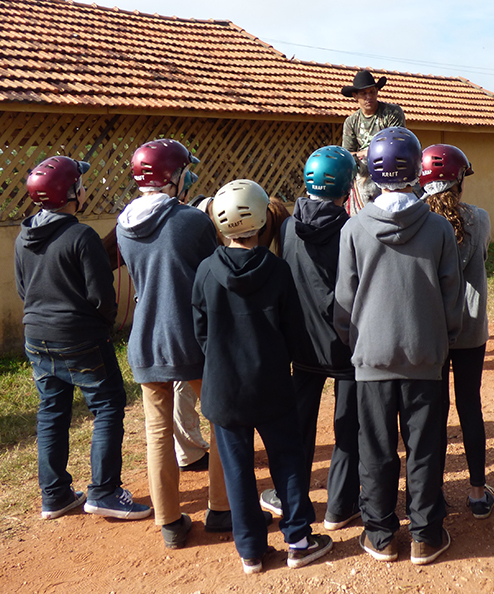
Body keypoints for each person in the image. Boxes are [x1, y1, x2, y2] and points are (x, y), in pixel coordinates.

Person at [334, 127, 463, 565]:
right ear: (416, 171)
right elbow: (452, 299)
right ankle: (426, 535)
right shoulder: (439, 228)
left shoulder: (354, 228)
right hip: (426, 357)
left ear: (372, 171)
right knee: (424, 447)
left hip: (371, 358)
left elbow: (344, 302)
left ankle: (382, 535)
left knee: (376, 449)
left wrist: (358, 343)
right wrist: (442, 341)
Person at [192, 179, 334, 574]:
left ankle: (251, 551)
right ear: (261, 220)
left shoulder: (205, 271)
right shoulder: (277, 270)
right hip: (271, 385)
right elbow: (293, 331)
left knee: (237, 469)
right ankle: (298, 540)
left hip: (223, 389)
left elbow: (200, 332)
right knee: (286, 460)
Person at [15, 156, 151, 522]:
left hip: (36, 337)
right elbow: (102, 296)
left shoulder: (23, 236)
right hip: (80, 338)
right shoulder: (81, 236)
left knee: (52, 411)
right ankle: (105, 491)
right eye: (80, 183)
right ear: (73, 192)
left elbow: (22, 289)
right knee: (107, 406)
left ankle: (55, 495)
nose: (84, 188)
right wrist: (104, 327)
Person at [115, 139, 231, 549]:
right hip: (190, 338)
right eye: (184, 171)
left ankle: (170, 523)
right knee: (222, 421)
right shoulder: (190, 221)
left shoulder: (124, 224)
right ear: (173, 176)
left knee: (158, 431)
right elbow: (216, 271)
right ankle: (220, 508)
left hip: (146, 340)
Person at [260, 146, 361, 532]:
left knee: (297, 425)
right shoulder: (351, 228)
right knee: (346, 427)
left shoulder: (286, 227)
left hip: (300, 344)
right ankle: (341, 505)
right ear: (348, 185)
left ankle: (291, 496)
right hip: (345, 346)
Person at [419, 144, 494, 519]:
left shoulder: (418, 221)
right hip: (470, 329)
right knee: (470, 407)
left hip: (430, 329)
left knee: (433, 411)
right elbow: (479, 258)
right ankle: (478, 492)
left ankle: (432, 492)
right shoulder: (480, 219)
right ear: (460, 180)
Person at [340, 69, 406, 214]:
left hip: (392, 172)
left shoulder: (392, 113)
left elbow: (396, 146)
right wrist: (362, 154)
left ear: (377, 91)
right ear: (355, 96)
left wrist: (366, 152)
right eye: (364, 93)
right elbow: (349, 154)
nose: (369, 97)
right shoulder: (351, 122)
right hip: (364, 174)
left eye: (372, 91)